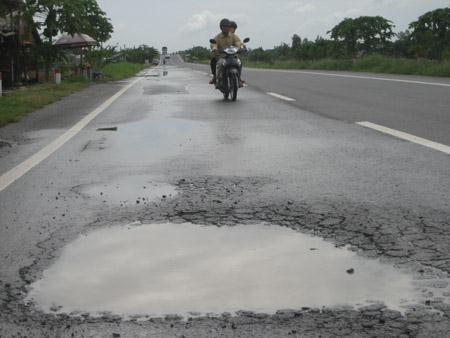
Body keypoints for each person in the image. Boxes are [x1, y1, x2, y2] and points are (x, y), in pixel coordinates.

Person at [209, 18, 242, 85]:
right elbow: (213, 43)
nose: (226, 28)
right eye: (224, 26)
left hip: (233, 56)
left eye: (227, 26)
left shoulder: (233, 36)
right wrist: (215, 48)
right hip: (222, 57)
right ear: (221, 27)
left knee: (239, 62)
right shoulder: (218, 37)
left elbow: (238, 42)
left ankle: (238, 78)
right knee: (214, 61)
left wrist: (240, 48)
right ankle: (215, 77)